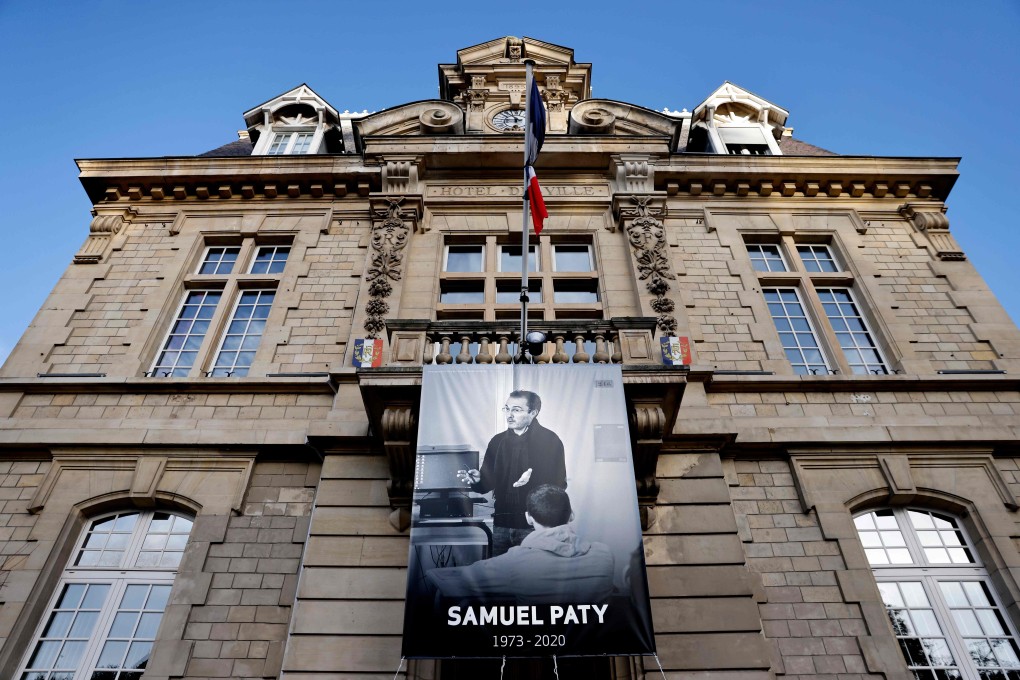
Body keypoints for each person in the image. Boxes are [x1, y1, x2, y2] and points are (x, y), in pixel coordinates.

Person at [426, 485, 614, 604]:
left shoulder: (516, 562)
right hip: (588, 651)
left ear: (528, 518)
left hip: (536, 649)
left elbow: (450, 581)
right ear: (571, 515)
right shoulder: (604, 555)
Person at [457, 390, 566, 555]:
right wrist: (478, 480)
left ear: (533, 413)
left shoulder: (551, 441)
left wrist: (533, 479)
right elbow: (487, 484)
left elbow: (559, 486)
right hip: (502, 524)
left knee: (531, 578)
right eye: (507, 409)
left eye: (516, 410)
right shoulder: (497, 441)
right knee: (501, 577)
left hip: (535, 526)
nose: (509, 415)